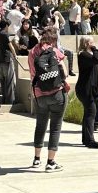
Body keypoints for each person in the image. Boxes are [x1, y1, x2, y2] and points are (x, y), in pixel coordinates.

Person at [27, 28, 68, 171]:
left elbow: (32, 73)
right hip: (56, 93)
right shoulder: (54, 51)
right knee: (55, 127)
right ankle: (51, 162)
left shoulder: (32, 52)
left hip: (39, 93)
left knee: (40, 125)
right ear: (53, 40)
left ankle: (36, 159)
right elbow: (64, 70)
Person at [75, 37, 98, 149]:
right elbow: (97, 59)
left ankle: (86, 139)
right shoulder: (83, 54)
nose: (94, 44)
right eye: (92, 42)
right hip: (85, 89)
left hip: (90, 88)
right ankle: (90, 140)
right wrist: (95, 49)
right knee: (91, 113)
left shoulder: (88, 55)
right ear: (87, 43)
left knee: (89, 113)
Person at [0, 18, 16, 110]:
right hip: (7, 59)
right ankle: (10, 101)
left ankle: (4, 99)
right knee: (10, 81)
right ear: (6, 25)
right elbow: (10, 46)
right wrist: (15, 55)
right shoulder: (5, 34)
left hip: (0, 59)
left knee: (3, 81)